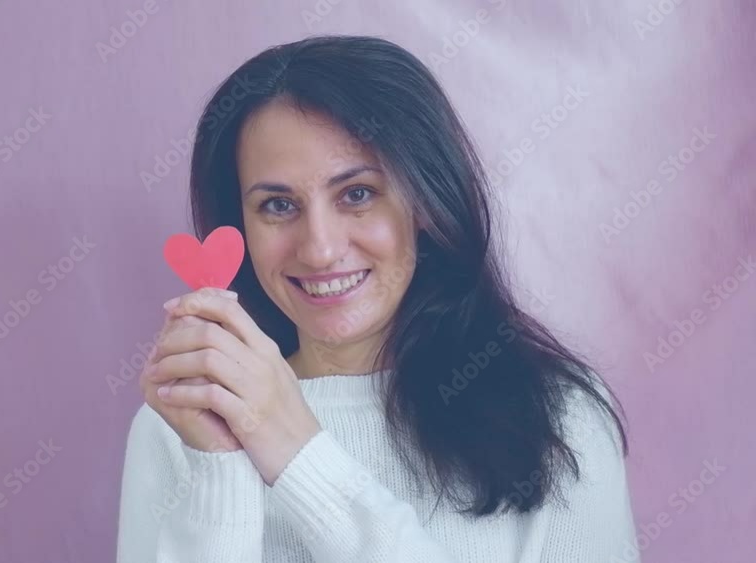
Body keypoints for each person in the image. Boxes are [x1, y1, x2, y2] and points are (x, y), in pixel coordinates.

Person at [115, 34, 640, 562]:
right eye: (278, 205)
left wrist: (295, 452)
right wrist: (220, 469)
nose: (319, 249)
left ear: (424, 202)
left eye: (357, 194)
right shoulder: (179, 425)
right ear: (241, 227)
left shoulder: (557, 416)